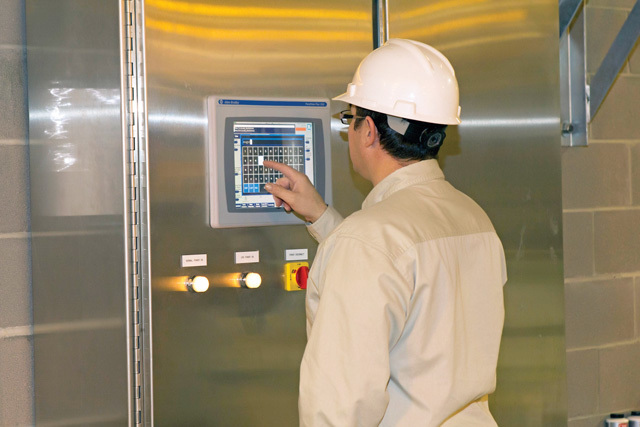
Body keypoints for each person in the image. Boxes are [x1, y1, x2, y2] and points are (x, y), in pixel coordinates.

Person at [264, 39, 506, 426]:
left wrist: (344, 236)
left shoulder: (367, 242)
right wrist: (323, 218)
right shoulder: (474, 219)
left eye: (350, 118)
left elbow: (339, 410)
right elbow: (406, 277)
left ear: (369, 132)